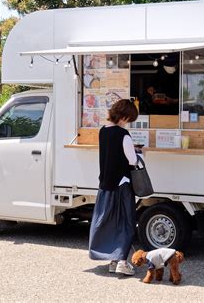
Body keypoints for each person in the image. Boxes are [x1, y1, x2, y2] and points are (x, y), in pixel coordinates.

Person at [88, 99, 139, 276]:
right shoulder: (123, 134)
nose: (128, 122)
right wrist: (141, 154)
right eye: (129, 119)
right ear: (123, 116)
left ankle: (113, 261)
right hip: (122, 186)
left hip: (105, 186)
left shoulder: (103, 131)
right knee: (126, 223)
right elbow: (132, 161)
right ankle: (122, 262)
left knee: (110, 223)